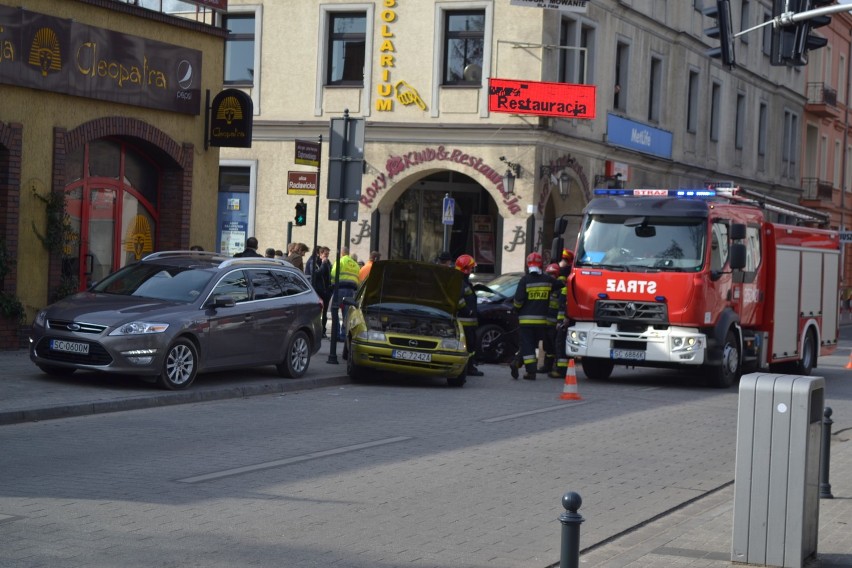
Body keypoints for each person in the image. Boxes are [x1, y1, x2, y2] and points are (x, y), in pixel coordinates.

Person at [511, 252, 560, 381]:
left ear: (528, 265)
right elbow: (560, 285)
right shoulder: (548, 280)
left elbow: (518, 301)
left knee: (527, 346)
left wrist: (515, 309)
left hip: (526, 321)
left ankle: (531, 372)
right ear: (541, 265)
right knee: (532, 345)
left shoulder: (525, 280)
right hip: (542, 322)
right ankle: (516, 362)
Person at [455, 254, 483, 377]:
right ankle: (469, 367)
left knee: (471, 345)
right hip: (465, 321)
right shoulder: (461, 282)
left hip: (469, 321)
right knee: (469, 346)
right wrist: (468, 311)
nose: (472, 270)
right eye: (471, 268)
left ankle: (469, 366)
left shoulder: (463, 281)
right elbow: (458, 299)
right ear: (466, 269)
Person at [330, 246, 361, 340]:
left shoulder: (341, 261)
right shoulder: (355, 264)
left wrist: (332, 284)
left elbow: (333, 274)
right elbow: (358, 279)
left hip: (340, 289)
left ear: (342, 253)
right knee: (347, 314)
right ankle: (344, 335)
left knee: (334, 310)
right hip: (351, 291)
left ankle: (336, 334)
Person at [541, 263, 566, 379]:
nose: (550, 276)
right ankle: (547, 366)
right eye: (548, 274)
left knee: (557, 346)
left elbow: (562, 307)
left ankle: (559, 368)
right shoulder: (548, 286)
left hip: (555, 324)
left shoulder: (561, 288)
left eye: (552, 274)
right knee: (548, 346)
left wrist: (559, 322)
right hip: (546, 322)